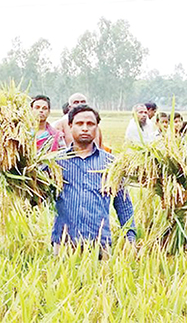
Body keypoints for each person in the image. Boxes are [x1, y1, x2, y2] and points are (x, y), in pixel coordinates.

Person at [52, 105, 136, 259]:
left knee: (102, 282)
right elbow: (37, 196)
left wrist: (130, 236)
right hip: (64, 243)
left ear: (97, 127)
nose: (85, 128)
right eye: (79, 124)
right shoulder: (56, 163)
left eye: (90, 124)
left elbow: (123, 203)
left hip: (100, 243)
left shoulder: (111, 163)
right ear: (70, 126)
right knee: (62, 282)